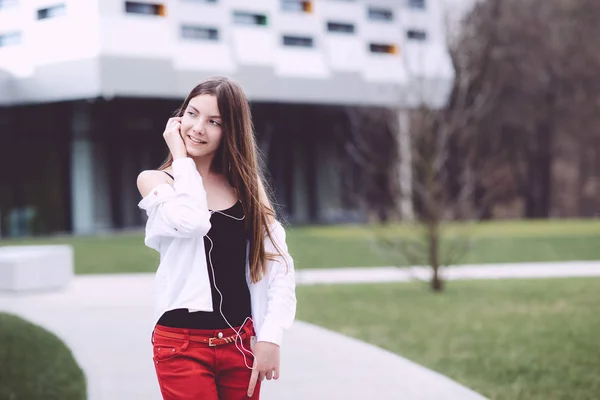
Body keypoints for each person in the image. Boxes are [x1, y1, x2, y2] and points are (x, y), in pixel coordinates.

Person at [136, 76, 296, 400]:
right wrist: (181, 159)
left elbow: (280, 267)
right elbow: (193, 221)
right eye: (192, 114)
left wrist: (271, 338)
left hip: (240, 343)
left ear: (229, 131)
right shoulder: (156, 181)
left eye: (214, 122)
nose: (198, 128)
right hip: (181, 345)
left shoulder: (246, 191)